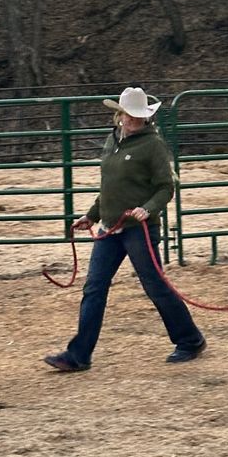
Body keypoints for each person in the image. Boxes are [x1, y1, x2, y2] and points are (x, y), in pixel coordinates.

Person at [44, 86, 206, 372]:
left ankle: (189, 340)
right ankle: (79, 355)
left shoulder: (152, 145)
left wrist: (149, 208)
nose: (132, 120)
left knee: (154, 285)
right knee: (94, 287)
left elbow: (167, 186)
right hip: (110, 228)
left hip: (138, 229)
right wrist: (92, 216)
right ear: (119, 115)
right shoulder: (113, 141)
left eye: (137, 116)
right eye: (128, 115)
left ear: (145, 117)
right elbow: (110, 187)